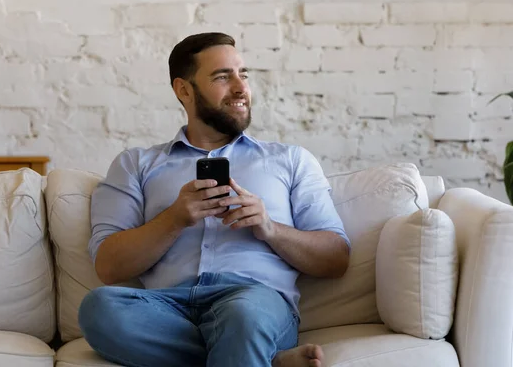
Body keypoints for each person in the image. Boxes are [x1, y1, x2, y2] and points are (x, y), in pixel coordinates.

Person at [79, 32, 351, 367]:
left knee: (243, 317)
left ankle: (251, 348)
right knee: (99, 309)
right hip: (168, 306)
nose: (241, 88)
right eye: (223, 77)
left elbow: (337, 258)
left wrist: (270, 228)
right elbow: (108, 265)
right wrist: (174, 218)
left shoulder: (291, 160)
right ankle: (265, 359)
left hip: (252, 299)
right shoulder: (136, 164)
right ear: (184, 90)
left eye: (243, 75)